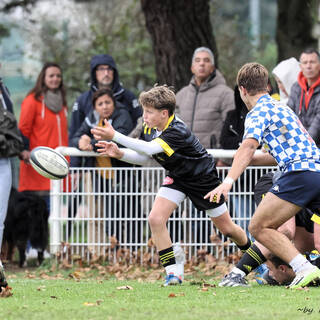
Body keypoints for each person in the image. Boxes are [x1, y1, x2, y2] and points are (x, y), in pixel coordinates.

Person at [91, 85, 251, 286]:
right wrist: (120, 153)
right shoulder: (151, 128)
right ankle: (173, 272)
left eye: (149, 112)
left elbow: (150, 149)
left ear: (164, 113)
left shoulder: (177, 130)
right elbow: (147, 156)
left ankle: (254, 257)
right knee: (155, 219)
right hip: (177, 177)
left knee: (227, 229)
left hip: (203, 180)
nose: (145, 116)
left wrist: (115, 136)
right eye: (144, 111)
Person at [205, 62, 320, 289]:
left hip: (299, 173)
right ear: (267, 86)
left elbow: (248, 147)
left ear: (242, 90)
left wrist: (228, 181)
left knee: (258, 226)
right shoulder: (282, 108)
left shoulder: (257, 112)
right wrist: (243, 158)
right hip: (316, 170)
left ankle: (304, 267)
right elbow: (270, 154)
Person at [218, 171, 320, 287]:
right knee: (284, 230)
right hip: (280, 182)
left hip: (305, 191)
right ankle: (236, 274)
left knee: (305, 245)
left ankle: (271, 272)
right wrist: (229, 181)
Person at [70, 88, 134, 253]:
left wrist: (89, 140)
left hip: (120, 174)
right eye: (100, 104)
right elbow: (76, 136)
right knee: (99, 215)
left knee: (124, 214)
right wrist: (81, 141)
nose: (104, 107)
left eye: (108, 102)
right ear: (95, 107)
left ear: (114, 103)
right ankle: (100, 252)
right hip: (98, 174)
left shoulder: (123, 115)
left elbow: (117, 138)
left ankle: (126, 251)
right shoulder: (91, 118)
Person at [18, 62, 69, 257]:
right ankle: (32, 248)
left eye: (58, 75)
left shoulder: (62, 103)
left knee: (51, 212)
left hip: (55, 166)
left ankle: (46, 248)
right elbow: (23, 129)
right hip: (36, 165)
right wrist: (25, 151)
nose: (55, 79)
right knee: (34, 212)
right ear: (43, 78)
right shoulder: (32, 100)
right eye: (51, 76)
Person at [176, 47, 234, 150]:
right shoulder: (181, 95)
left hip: (213, 161)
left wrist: (224, 160)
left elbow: (233, 129)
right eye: (197, 60)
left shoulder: (226, 94)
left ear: (212, 68)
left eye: (206, 60)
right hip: (184, 160)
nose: (202, 64)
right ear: (192, 68)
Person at [0, 70, 24, 291]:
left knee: (0, 219)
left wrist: (20, 149)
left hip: (4, 158)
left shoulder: (4, 89)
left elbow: (11, 126)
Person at [288, 48, 320, 145]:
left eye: (312, 62)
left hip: (313, 144)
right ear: (300, 66)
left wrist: (304, 143)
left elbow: (318, 121)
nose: (308, 66)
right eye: (305, 63)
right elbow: (288, 115)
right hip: (299, 142)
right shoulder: (296, 87)